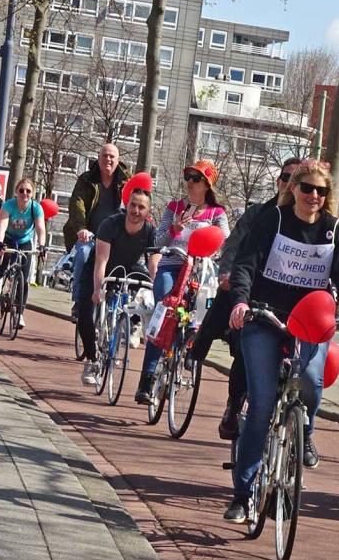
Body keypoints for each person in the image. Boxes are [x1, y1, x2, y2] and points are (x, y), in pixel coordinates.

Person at [224, 159, 339, 522]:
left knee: (311, 381)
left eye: (321, 191)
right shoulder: (272, 220)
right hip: (265, 318)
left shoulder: (335, 230)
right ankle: (242, 494)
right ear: (294, 189)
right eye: (307, 188)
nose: (313, 196)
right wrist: (240, 302)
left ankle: (304, 433)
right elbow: (246, 264)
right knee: (261, 404)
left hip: (311, 323)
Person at [192, 156, 301, 440]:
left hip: (290, 301)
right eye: (286, 178)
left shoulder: (309, 221)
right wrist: (227, 273)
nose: (291, 185)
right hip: (252, 290)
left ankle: (303, 432)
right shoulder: (259, 214)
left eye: (298, 180)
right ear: (278, 182)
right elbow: (235, 246)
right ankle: (232, 403)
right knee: (245, 346)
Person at [134, 160, 229, 403]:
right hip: (172, 266)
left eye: (195, 178)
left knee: (202, 311)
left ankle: (190, 349)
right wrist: (174, 230)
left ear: (207, 184)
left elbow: (226, 243)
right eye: (187, 177)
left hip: (199, 271)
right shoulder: (174, 207)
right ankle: (147, 379)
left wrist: (217, 256)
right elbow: (158, 241)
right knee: (164, 310)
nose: (189, 182)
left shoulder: (216, 213)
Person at [77, 187, 160, 384]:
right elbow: (101, 261)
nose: (136, 211)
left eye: (141, 207)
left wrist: (157, 292)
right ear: (126, 205)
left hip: (127, 268)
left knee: (148, 288)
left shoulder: (150, 231)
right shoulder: (110, 224)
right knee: (85, 313)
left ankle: (133, 323)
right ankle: (92, 360)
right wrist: (97, 290)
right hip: (99, 270)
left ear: (148, 211)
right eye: (133, 205)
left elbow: (153, 265)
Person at [64, 144, 130, 319]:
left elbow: (137, 203)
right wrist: (81, 228)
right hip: (90, 235)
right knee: (83, 254)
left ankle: (127, 313)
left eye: (112, 156)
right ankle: (79, 301)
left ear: (118, 160)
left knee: (130, 266)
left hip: (116, 238)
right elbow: (76, 204)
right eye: (104, 155)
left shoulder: (127, 182)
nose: (108, 159)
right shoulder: (86, 179)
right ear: (98, 158)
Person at [0, 178, 47, 330]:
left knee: (24, 277)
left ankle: (19, 313)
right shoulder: (9, 205)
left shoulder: (36, 208)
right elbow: (2, 225)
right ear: (16, 192)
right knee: (5, 256)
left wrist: (42, 246)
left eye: (28, 191)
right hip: (9, 237)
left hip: (24, 241)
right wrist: (0, 243)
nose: (24, 193)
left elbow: (41, 228)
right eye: (21, 190)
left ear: (32, 193)